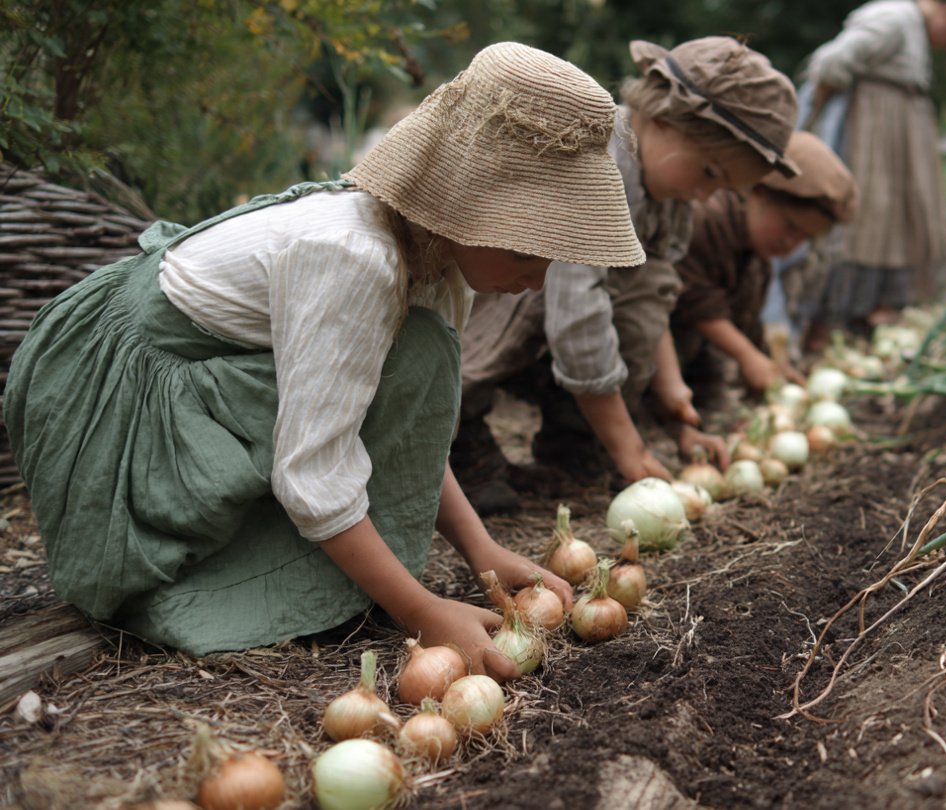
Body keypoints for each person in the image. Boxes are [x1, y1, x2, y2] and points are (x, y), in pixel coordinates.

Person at [4, 43, 645, 680]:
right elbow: (312, 471)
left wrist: (482, 552)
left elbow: (414, 428)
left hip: (214, 375)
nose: (536, 282)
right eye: (530, 254)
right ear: (471, 210)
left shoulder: (438, 258)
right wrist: (420, 611)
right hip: (119, 402)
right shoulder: (355, 257)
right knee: (408, 367)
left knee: (420, 359)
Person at [456, 37, 799, 512]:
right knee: (486, 343)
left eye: (722, 186)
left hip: (562, 314)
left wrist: (672, 401)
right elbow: (578, 313)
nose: (705, 195)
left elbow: (650, 296)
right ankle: (462, 442)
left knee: (646, 285)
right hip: (499, 286)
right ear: (661, 120)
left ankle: (574, 442)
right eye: (707, 173)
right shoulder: (599, 167)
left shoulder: (668, 192)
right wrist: (628, 446)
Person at [795, 0, 946, 353]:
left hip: (891, 142)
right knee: (860, 225)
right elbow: (829, 65)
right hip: (868, 140)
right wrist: (812, 131)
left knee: (890, 228)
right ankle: (820, 333)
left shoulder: (912, 28)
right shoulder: (894, 18)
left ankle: (863, 327)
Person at [665, 131, 857, 409]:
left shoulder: (756, 258)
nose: (791, 242)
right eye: (790, 226)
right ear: (759, 192)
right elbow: (697, 299)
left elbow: (746, 320)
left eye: (804, 237)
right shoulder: (707, 217)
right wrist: (747, 356)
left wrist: (770, 362)